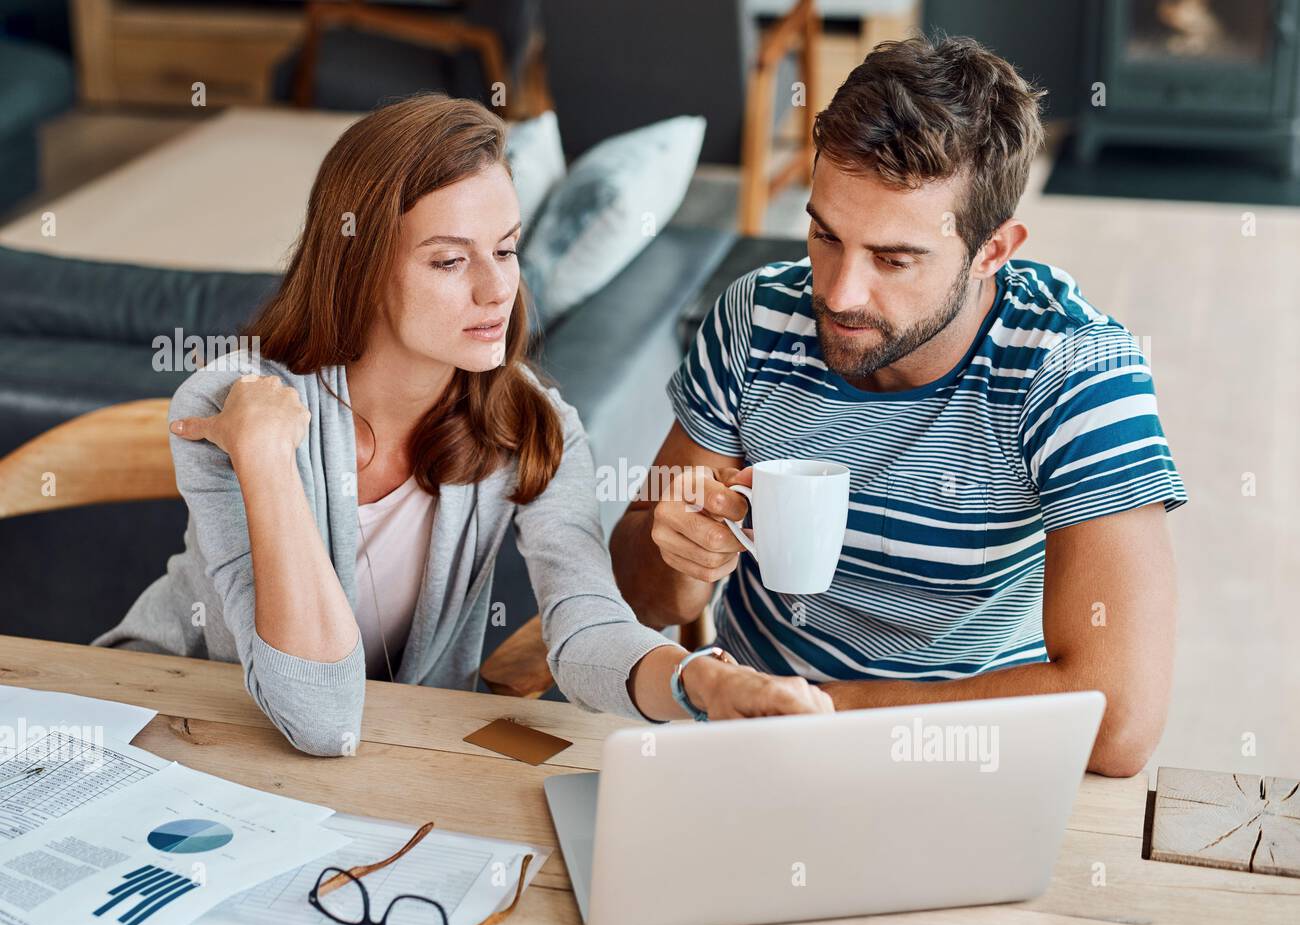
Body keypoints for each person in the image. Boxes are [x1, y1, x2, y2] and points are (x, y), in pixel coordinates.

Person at [95, 94, 832, 755]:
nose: (496, 289)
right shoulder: (231, 406)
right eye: (449, 261)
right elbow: (318, 714)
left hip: (377, 754)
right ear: (359, 267)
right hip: (164, 723)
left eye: (506, 249)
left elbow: (586, 626)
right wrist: (262, 459)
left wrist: (703, 687)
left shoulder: (531, 425)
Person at [610, 37, 1187, 777]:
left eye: (894, 259)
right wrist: (682, 559)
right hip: (753, 743)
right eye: (825, 235)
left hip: (970, 753)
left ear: (993, 251)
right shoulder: (756, 319)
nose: (839, 294)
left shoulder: (1076, 369)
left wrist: (822, 713)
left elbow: (1119, 721)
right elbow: (635, 594)